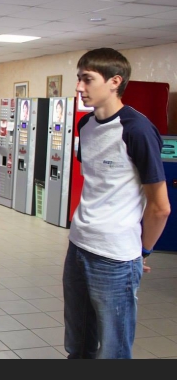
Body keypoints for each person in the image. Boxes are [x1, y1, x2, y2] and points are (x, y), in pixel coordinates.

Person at [64, 47, 171, 359]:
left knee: (113, 350)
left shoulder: (137, 129)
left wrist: (141, 252)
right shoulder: (86, 125)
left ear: (115, 81)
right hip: (78, 246)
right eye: (78, 78)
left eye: (87, 79)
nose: (79, 87)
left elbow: (160, 207)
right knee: (78, 346)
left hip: (114, 257)